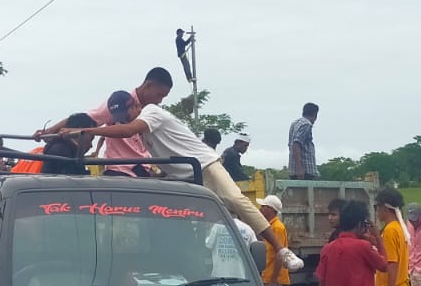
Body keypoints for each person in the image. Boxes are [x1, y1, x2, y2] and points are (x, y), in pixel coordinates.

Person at [65, 92, 304, 271]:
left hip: (205, 165)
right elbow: (98, 118)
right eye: (117, 119)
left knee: (234, 199)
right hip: (181, 175)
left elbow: (127, 130)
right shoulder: (142, 129)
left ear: (136, 104)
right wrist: (59, 130)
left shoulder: (151, 113)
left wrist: (91, 131)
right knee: (189, 219)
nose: (122, 121)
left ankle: (282, 251)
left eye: (125, 116)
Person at [44, 69, 172, 177]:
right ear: (148, 86)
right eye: (159, 95)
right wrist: (51, 130)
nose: (159, 101)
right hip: (121, 171)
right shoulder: (120, 102)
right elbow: (88, 118)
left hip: (142, 169)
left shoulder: (151, 111)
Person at [288, 103, 320, 179]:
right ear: (315, 115)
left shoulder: (295, 123)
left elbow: (291, 144)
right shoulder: (306, 124)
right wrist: (299, 168)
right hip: (305, 171)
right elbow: (296, 144)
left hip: (294, 170)